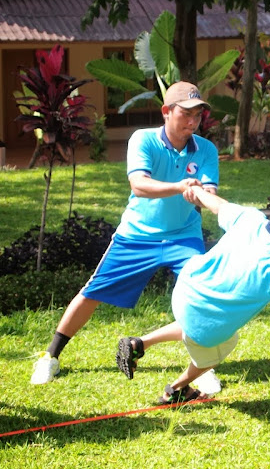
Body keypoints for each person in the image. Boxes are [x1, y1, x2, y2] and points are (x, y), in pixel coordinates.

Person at [30, 81, 220, 385]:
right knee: (92, 292)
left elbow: (208, 189)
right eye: (186, 114)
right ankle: (51, 356)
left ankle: (202, 367)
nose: (193, 121)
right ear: (166, 112)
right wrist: (180, 187)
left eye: (197, 115)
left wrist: (207, 196)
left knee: (203, 295)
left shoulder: (206, 149)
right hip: (137, 235)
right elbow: (139, 185)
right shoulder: (142, 140)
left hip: (184, 236)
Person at [116, 189, 270, 403]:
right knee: (223, 342)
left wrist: (196, 191)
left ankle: (140, 343)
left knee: (196, 323)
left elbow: (219, 205)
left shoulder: (251, 218)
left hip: (186, 290)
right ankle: (177, 390)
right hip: (203, 315)